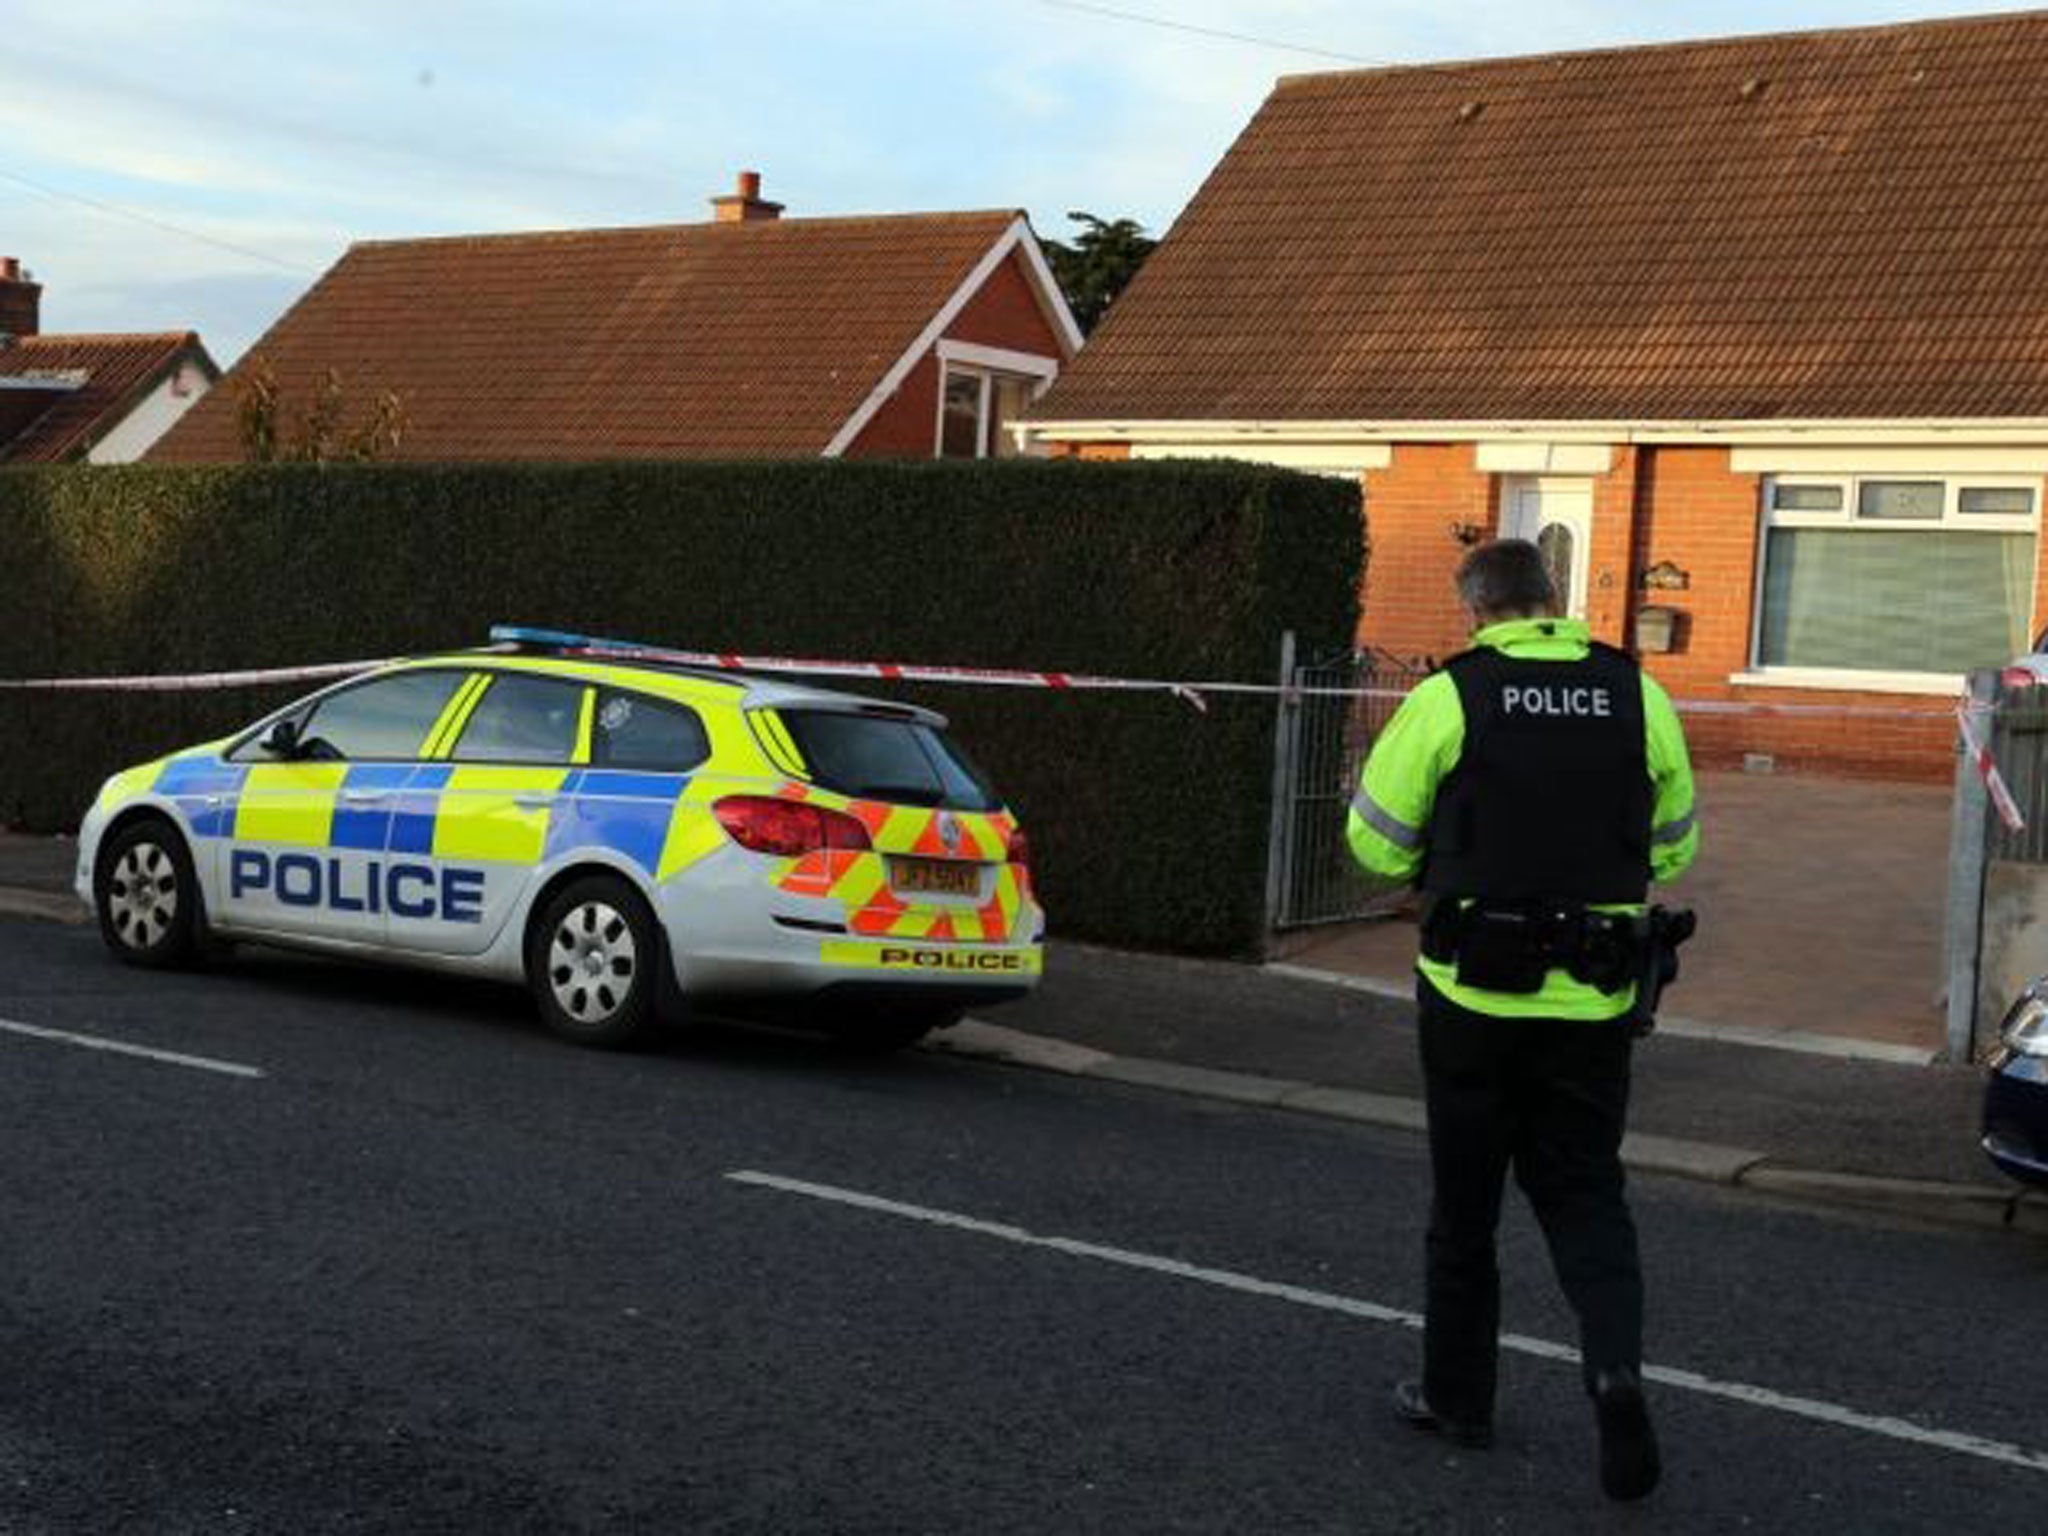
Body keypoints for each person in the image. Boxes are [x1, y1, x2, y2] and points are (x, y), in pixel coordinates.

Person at [1345, 538, 1698, 1503]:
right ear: (1553, 601)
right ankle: (1614, 1376)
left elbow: (1372, 843)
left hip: (1471, 997)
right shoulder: (1636, 694)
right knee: (1588, 1198)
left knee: (1465, 1210)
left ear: (1476, 611)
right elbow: (1677, 840)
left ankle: (1458, 1402)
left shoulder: (1451, 696)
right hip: (1593, 999)